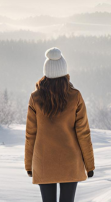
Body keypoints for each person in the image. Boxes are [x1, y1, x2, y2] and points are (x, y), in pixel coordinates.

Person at [25, 47, 95, 202]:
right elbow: (83, 133)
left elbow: (31, 134)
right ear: (64, 72)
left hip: (43, 162)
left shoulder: (35, 98)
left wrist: (29, 165)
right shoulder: (75, 96)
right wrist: (89, 165)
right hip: (70, 161)